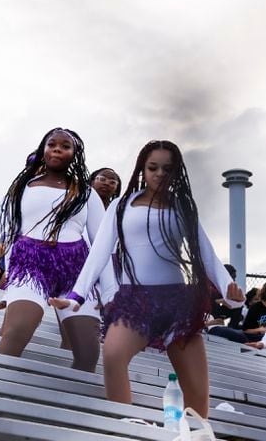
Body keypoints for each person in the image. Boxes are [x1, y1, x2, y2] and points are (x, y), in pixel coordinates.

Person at [49, 140, 244, 417]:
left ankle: (194, 434)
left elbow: (207, 255)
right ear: (143, 168)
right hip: (134, 301)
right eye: (153, 167)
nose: (160, 174)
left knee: (197, 389)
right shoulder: (121, 205)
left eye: (168, 169)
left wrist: (231, 293)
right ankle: (124, 426)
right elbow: (99, 253)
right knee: (114, 355)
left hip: (177, 303)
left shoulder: (184, 208)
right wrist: (76, 295)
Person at [0, 128, 105, 372]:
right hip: (31, 266)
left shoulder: (86, 193)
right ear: (43, 149)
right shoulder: (22, 187)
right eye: (52, 144)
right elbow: (0, 226)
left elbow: (102, 245)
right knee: (18, 330)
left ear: (75, 154)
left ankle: (69, 406)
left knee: (88, 352)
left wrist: (110, 292)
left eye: (65, 146)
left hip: (75, 270)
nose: (57, 149)